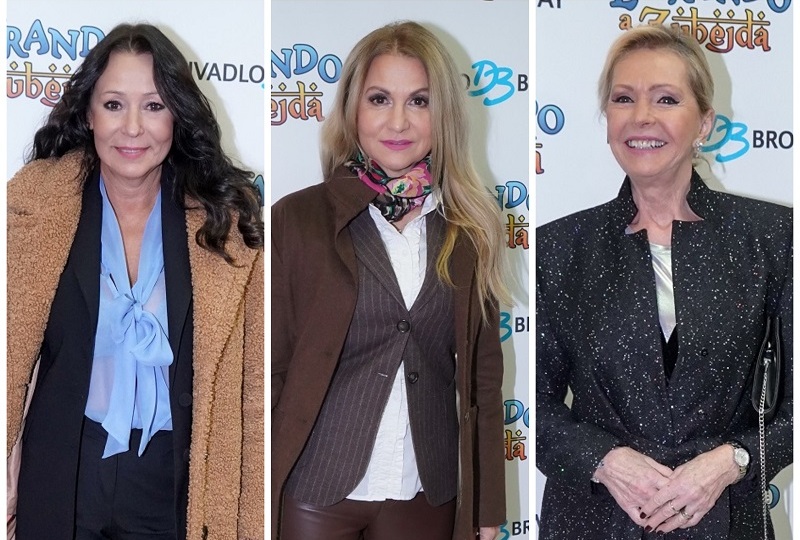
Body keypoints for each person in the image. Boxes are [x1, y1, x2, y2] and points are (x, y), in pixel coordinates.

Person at [6, 23, 264, 540]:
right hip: (60, 471)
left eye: (153, 106)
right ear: (88, 114)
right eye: (113, 105)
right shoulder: (32, 207)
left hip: (176, 480)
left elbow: (252, 389)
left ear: (177, 115)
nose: (132, 129)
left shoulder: (227, 221)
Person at [536, 25, 792, 539]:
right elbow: (533, 407)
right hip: (595, 521)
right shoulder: (559, 247)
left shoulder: (773, 237)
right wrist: (603, 459)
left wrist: (733, 459)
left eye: (667, 99)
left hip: (727, 519)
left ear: (704, 123)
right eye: (623, 99)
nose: (642, 117)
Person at [271, 21, 508, 540]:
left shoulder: (471, 230)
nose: (398, 121)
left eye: (419, 101)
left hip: (425, 492)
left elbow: (483, 383)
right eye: (379, 99)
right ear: (353, 109)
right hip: (316, 487)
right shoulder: (297, 219)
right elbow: (273, 366)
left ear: (443, 114)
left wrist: (486, 507)